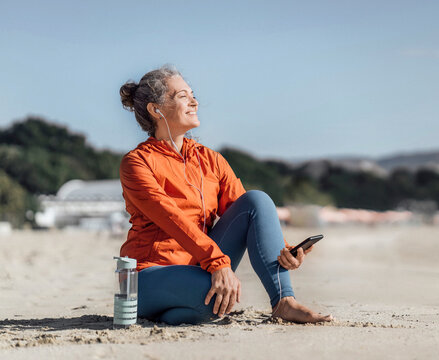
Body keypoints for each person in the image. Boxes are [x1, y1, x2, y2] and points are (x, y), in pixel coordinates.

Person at [118, 65, 332, 325]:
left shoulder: (210, 160)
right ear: (156, 109)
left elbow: (250, 213)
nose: (195, 101)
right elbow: (171, 217)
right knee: (214, 289)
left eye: (193, 94)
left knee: (258, 200)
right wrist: (218, 264)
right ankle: (176, 306)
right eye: (182, 96)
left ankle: (283, 301)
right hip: (148, 276)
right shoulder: (137, 163)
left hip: (199, 268)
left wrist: (284, 251)